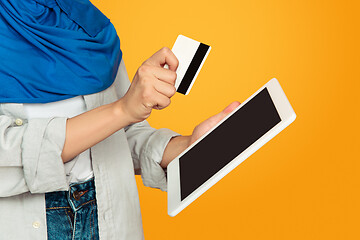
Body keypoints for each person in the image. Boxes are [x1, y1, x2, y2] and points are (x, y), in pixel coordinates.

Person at [0, 0, 240, 239]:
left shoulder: (89, 24)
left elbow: (121, 135)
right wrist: (123, 110)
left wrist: (186, 147)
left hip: (112, 221)